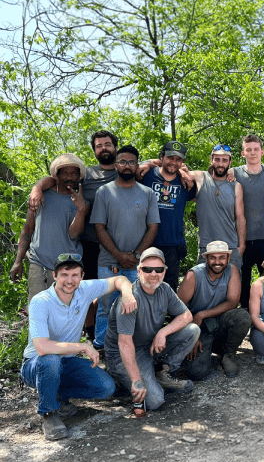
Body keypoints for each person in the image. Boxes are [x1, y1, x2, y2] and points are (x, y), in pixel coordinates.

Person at [21, 252, 137, 440]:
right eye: (64, 274)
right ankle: (48, 413)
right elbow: (42, 347)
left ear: (82, 276)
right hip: (36, 364)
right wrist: (82, 347)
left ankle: (55, 394)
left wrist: (127, 293)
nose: (69, 280)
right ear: (55, 275)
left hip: (66, 362)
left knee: (105, 387)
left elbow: (120, 279)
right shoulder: (41, 301)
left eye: (75, 275)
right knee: (50, 360)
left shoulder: (85, 289)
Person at [28, 131, 120, 340]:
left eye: (108, 144)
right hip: (87, 241)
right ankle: (87, 333)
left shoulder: (127, 169)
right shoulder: (87, 176)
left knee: (105, 293)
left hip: (115, 243)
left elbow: (149, 165)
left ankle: (105, 337)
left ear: (115, 147)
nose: (104, 148)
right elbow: (53, 180)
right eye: (99, 145)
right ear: (95, 150)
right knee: (83, 293)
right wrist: (36, 188)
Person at [104, 248, 200, 411]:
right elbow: (125, 344)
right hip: (123, 355)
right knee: (155, 401)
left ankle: (164, 373)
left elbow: (186, 315)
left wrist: (163, 332)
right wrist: (136, 381)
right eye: (148, 269)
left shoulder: (165, 289)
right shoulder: (129, 299)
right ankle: (122, 380)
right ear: (139, 270)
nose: (153, 273)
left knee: (192, 330)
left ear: (164, 271)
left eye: (159, 269)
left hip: (148, 346)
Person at [90, 145, 161, 349]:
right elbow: (99, 227)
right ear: (116, 165)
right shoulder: (104, 192)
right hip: (108, 262)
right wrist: (118, 255)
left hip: (139, 264)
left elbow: (153, 227)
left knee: (136, 306)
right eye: (122, 162)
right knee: (105, 307)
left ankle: (134, 348)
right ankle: (102, 346)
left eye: (131, 162)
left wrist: (137, 255)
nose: (127, 166)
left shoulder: (147, 193)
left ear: (137, 165)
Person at [11, 154, 88, 303]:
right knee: (37, 305)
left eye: (73, 173)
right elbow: (28, 229)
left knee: (64, 308)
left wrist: (81, 210)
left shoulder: (83, 202)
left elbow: (74, 234)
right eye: (64, 173)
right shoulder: (40, 196)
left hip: (69, 265)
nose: (69, 177)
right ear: (56, 175)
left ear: (79, 176)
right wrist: (18, 260)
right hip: (38, 261)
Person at [177, 240, 252, 379]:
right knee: (196, 373)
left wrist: (202, 314)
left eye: (222, 257)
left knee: (243, 317)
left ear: (228, 258)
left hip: (217, 320)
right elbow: (177, 307)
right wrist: (190, 334)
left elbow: (233, 302)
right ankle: (204, 349)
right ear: (206, 258)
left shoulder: (232, 270)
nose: (217, 262)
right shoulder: (194, 275)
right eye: (213, 257)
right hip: (196, 326)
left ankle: (227, 355)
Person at [140, 140, 197, 290]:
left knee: (169, 288)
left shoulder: (186, 182)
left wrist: (184, 172)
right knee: (145, 286)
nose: (174, 162)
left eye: (178, 159)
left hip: (173, 243)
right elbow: (130, 164)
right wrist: (148, 162)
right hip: (147, 241)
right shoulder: (147, 176)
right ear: (162, 157)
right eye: (170, 157)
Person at [232, 135, 264, 309]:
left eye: (256, 149)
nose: (252, 153)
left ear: (262, 152)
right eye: (248, 149)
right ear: (243, 153)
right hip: (241, 240)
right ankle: (244, 315)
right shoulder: (234, 173)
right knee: (241, 281)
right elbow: (211, 173)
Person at [187, 144, 246, 271]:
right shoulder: (201, 178)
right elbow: (178, 170)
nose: (220, 164)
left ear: (230, 162)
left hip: (230, 247)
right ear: (211, 160)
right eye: (217, 159)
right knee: (202, 287)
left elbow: (240, 218)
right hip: (206, 247)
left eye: (224, 160)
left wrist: (241, 247)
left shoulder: (236, 186)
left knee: (233, 288)